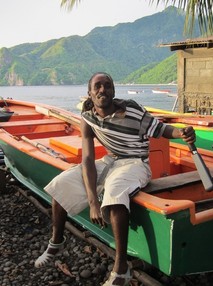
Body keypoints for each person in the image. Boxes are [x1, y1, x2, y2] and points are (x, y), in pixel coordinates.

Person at [34, 72, 196, 286]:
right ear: (90, 93)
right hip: (109, 161)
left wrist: (182, 133)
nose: (103, 90)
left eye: (107, 85)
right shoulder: (88, 117)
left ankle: (121, 269)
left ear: (113, 90)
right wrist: (92, 202)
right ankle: (57, 242)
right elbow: (88, 160)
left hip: (136, 163)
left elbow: (162, 129)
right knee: (62, 184)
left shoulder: (132, 110)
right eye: (98, 86)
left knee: (115, 189)